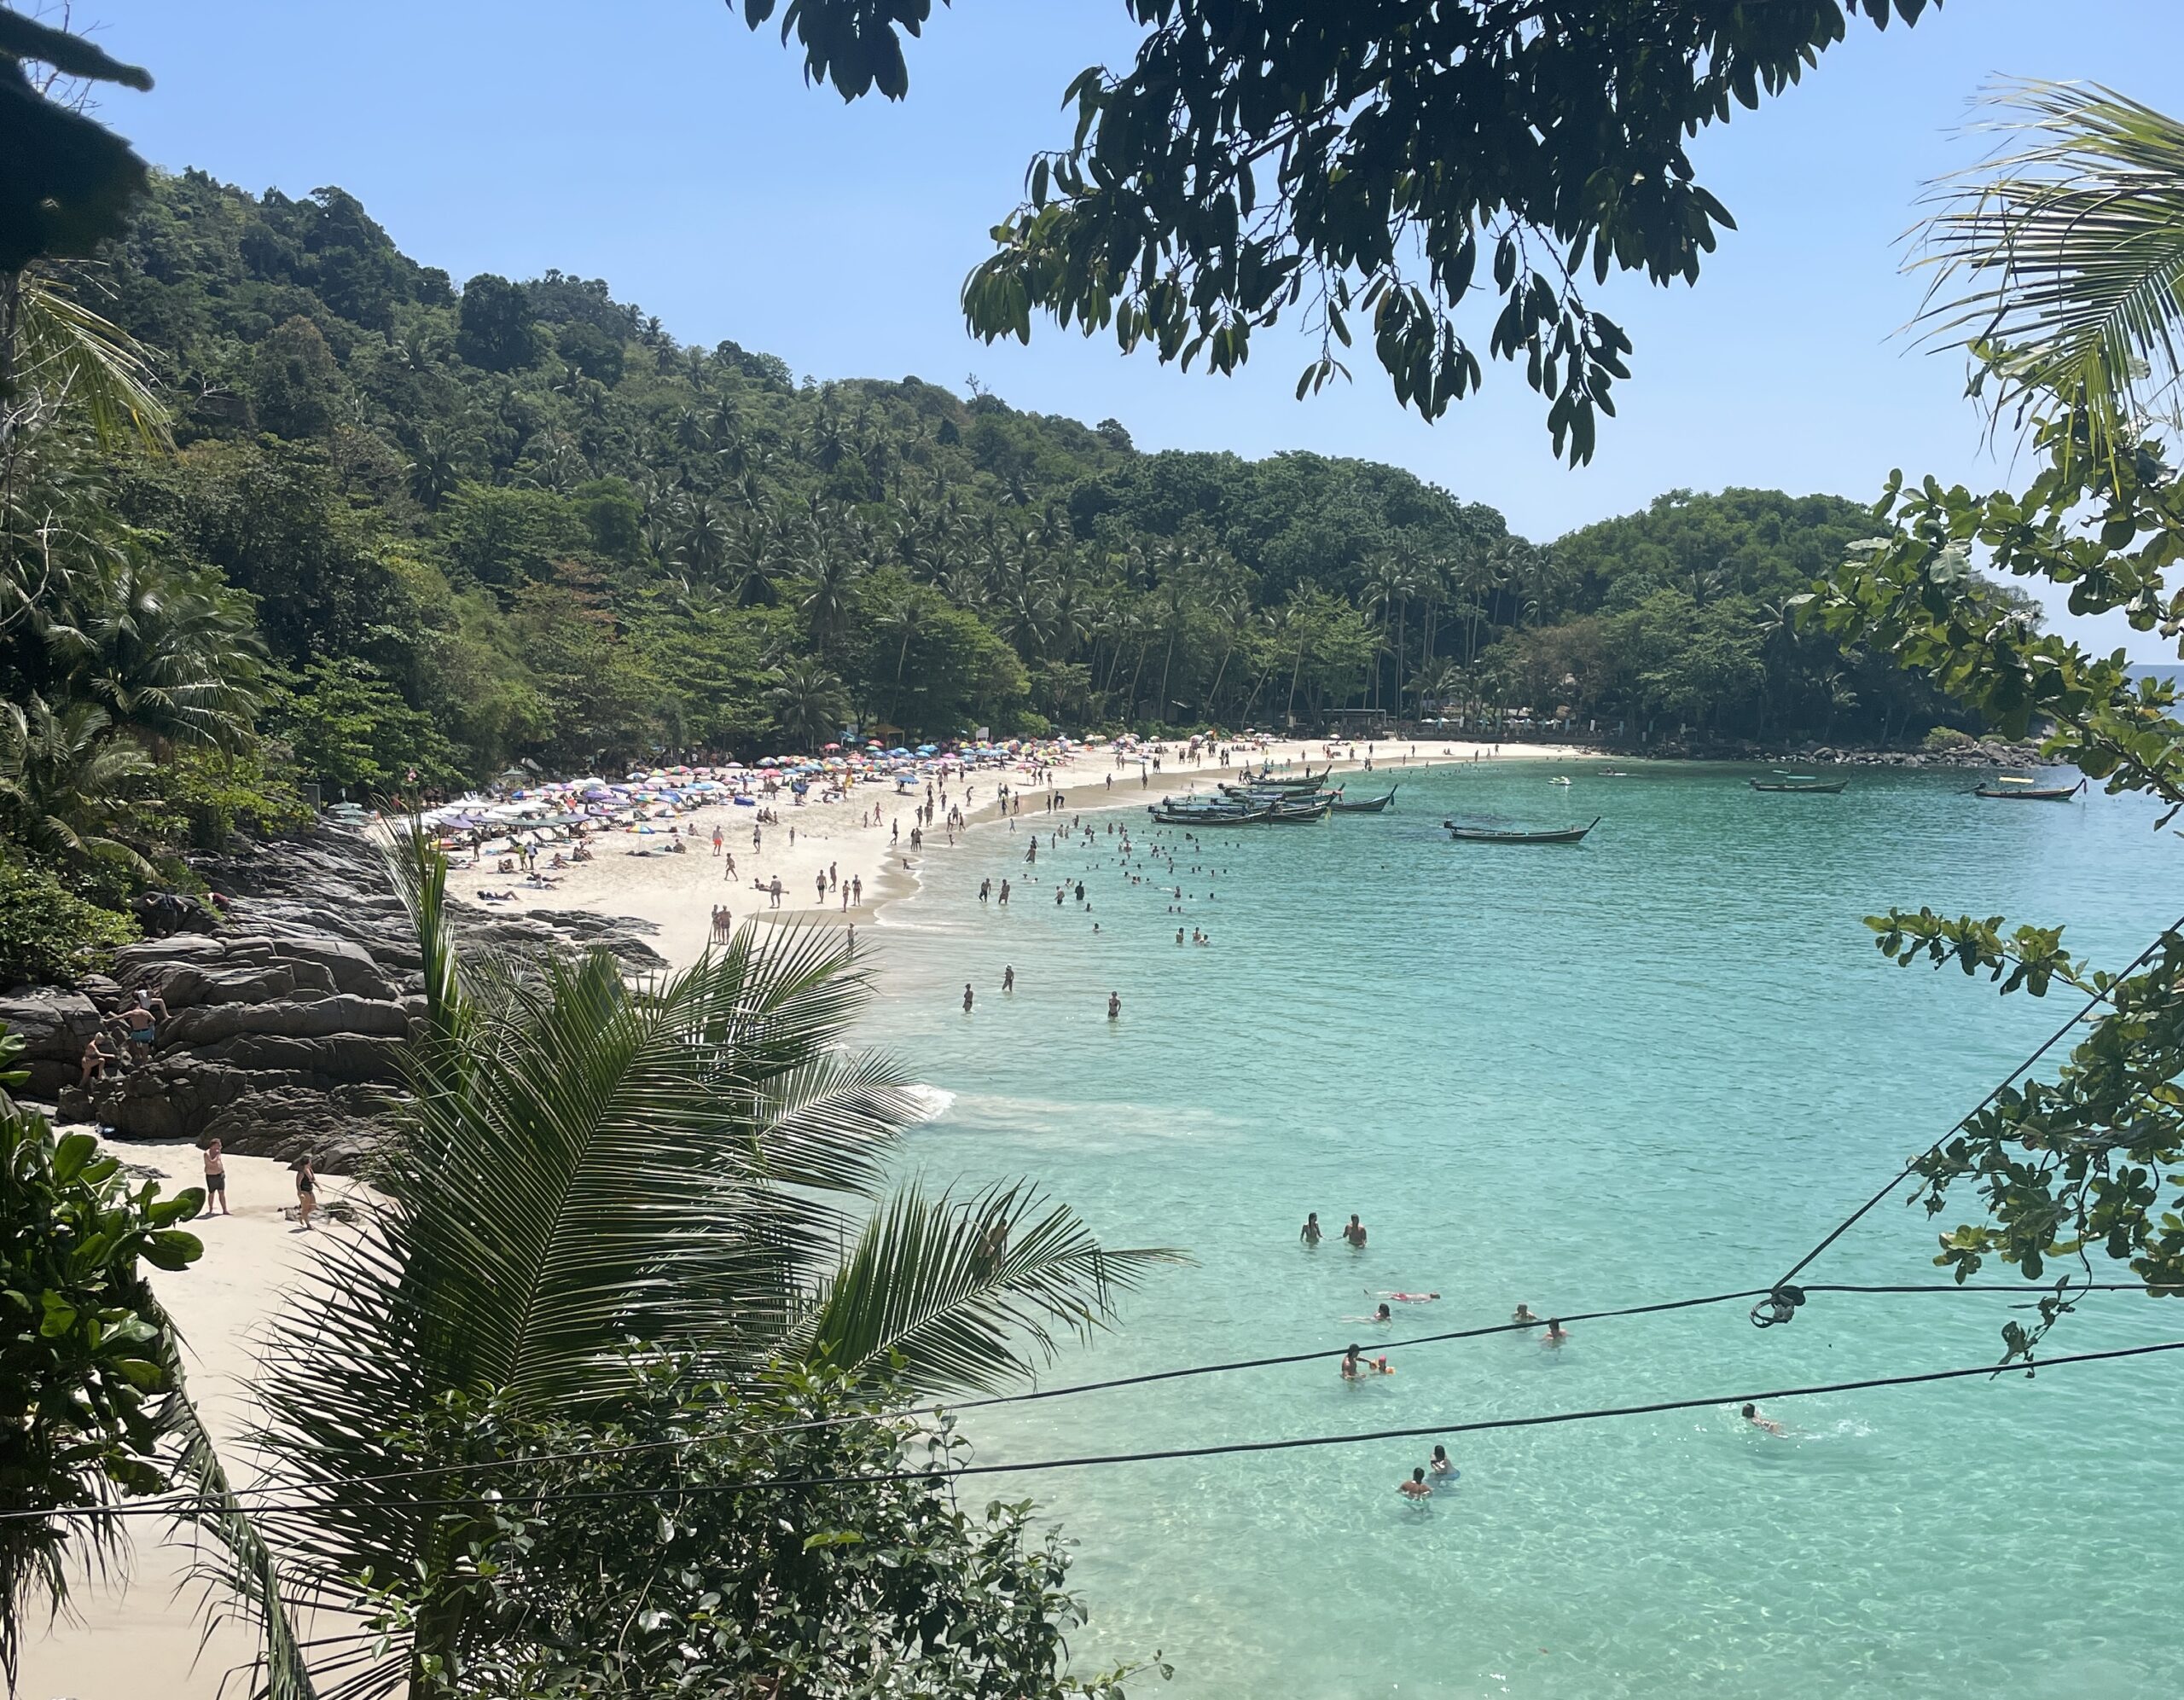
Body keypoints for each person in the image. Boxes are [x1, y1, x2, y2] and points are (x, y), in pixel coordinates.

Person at [200, 1138, 229, 1216]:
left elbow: (220, 1163)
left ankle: (225, 1210)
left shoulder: (218, 1152)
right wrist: (217, 1155)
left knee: (222, 1193)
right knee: (212, 1193)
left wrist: (223, 1171)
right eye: (218, 1145)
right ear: (214, 1145)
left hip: (220, 1175)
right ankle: (210, 1209)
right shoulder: (207, 1153)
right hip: (211, 1176)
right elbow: (212, 1162)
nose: (220, 1146)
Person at [291, 1152, 318, 1231]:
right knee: (305, 1208)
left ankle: (302, 1216)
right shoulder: (301, 1172)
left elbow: (313, 1180)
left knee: (313, 1207)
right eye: (310, 1161)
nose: (311, 1162)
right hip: (303, 1191)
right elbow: (298, 1184)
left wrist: (319, 1186)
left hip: (310, 1190)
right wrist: (300, 1193)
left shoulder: (310, 1170)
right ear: (307, 1162)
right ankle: (308, 1225)